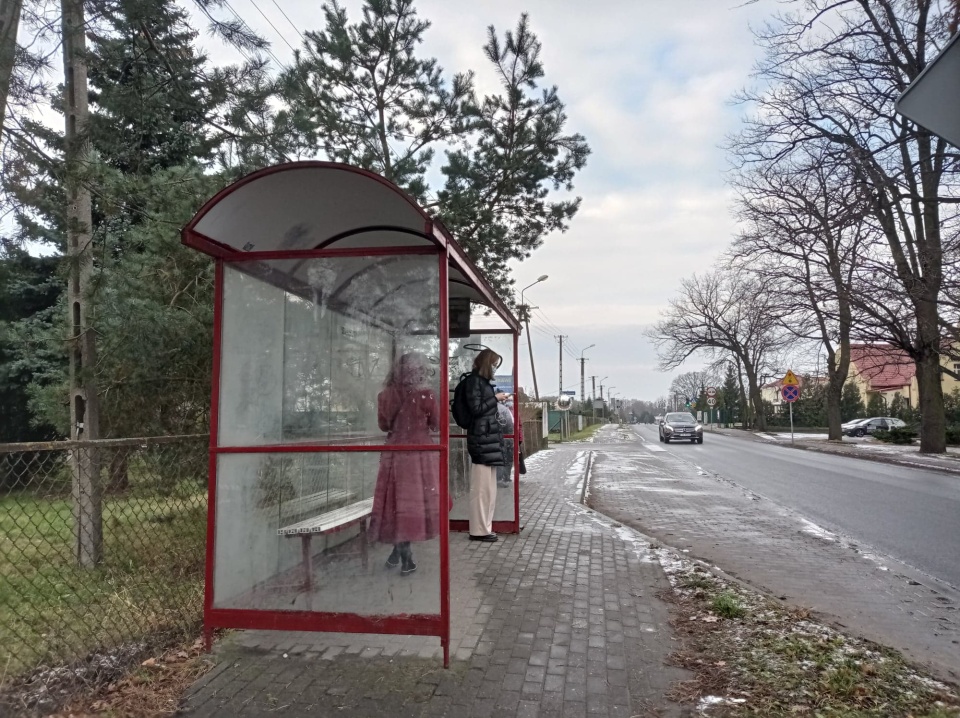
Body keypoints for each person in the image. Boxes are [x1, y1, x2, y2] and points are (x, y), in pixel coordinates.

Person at [368, 352, 441, 576]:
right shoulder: (426, 395)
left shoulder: (385, 395)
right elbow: (437, 424)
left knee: (395, 502)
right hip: (419, 454)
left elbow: (383, 426)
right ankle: (406, 556)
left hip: (394, 453)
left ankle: (398, 551)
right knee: (414, 503)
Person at [458, 348, 508, 542]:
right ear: (487, 364)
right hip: (481, 439)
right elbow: (476, 409)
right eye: (494, 364)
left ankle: (485, 527)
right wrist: (495, 398)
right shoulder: (474, 383)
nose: (495, 368)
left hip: (487, 439)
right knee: (480, 489)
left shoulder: (482, 383)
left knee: (488, 489)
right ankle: (478, 530)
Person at [496, 397, 515, 487]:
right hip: (506, 438)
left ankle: (500, 478)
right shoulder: (504, 410)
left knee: (501, 459)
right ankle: (504, 478)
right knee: (506, 459)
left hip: (500, 438)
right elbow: (510, 426)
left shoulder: (494, 408)